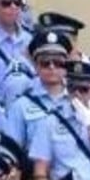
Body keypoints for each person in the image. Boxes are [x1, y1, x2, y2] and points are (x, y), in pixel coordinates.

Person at [7, 29, 72, 158]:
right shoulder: (21, 106)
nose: (52, 67)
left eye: (58, 63)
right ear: (35, 66)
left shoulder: (78, 99)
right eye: (45, 63)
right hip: (36, 172)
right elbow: (13, 150)